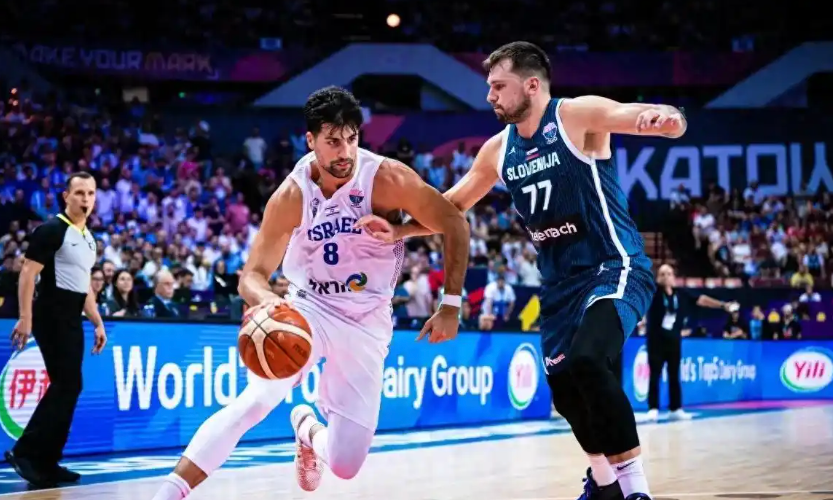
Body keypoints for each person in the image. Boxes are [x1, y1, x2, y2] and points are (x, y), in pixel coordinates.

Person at [357, 41, 687, 500]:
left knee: (588, 361)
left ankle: (636, 490)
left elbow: (636, 115)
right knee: (565, 392)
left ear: (532, 85)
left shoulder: (576, 116)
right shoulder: (497, 150)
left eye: (498, 86)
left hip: (614, 266)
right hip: (559, 286)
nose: (490, 96)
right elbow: (452, 206)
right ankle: (604, 483)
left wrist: (665, 118)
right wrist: (400, 230)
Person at [149, 86, 470, 500]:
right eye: (333, 141)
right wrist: (270, 304)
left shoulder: (386, 178)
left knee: (346, 464)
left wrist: (449, 302)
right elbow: (252, 276)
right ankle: (167, 493)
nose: (345, 151)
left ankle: (306, 428)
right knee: (256, 400)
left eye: (351, 138)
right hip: (309, 308)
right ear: (310, 140)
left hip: (368, 317)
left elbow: (454, 222)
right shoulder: (292, 195)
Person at [5, 172, 108, 487]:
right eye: (79, 193)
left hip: (72, 316)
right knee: (66, 383)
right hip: (51, 313)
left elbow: (84, 285)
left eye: (90, 193)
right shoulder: (52, 229)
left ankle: (47, 461)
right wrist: (25, 317)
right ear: (66, 196)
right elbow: (27, 273)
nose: (85, 199)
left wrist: (97, 321)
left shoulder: (89, 237)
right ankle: (26, 453)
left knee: (71, 386)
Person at [645, 264, 738, 422]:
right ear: (658, 278)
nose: (666, 276)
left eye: (669, 273)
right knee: (655, 374)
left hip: (674, 340)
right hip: (656, 341)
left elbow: (702, 300)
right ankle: (653, 408)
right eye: (662, 274)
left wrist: (723, 305)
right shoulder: (654, 293)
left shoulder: (680, 294)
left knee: (674, 375)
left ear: (674, 277)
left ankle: (675, 409)